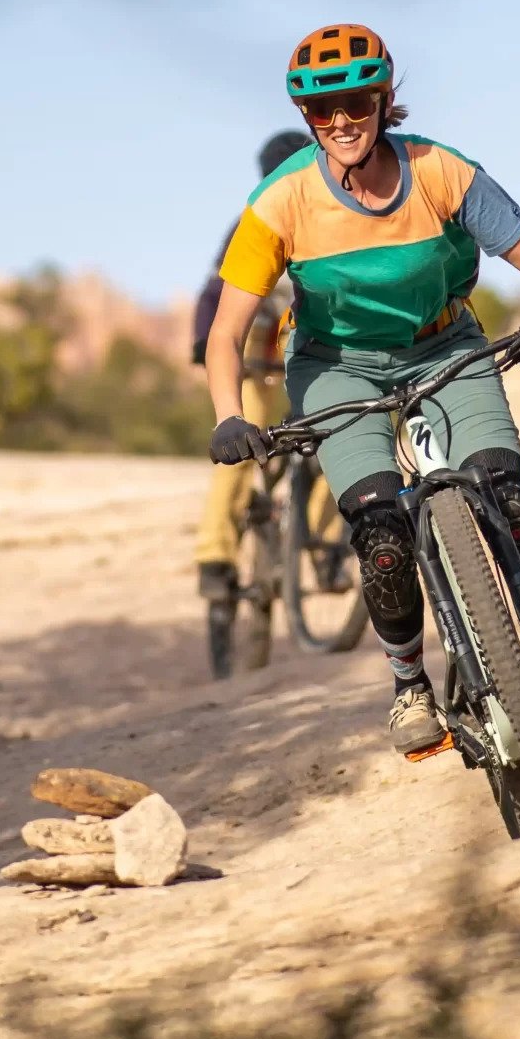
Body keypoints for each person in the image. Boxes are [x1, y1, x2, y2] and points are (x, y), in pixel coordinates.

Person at [199, 24, 520, 760]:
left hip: (445, 343)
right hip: (337, 363)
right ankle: (409, 684)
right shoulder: (280, 201)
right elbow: (225, 331)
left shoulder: (441, 171)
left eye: (356, 101)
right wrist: (228, 415)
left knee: (511, 497)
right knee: (378, 526)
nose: (341, 121)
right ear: (308, 118)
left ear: (383, 98)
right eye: (322, 109)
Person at [189, 129, 338, 678]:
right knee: (239, 439)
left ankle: (322, 542)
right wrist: (204, 344)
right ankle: (215, 556)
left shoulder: (328, 217)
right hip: (254, 356)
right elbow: (214, 296)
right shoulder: (253, 223)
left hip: (300, 349)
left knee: (327, 438)